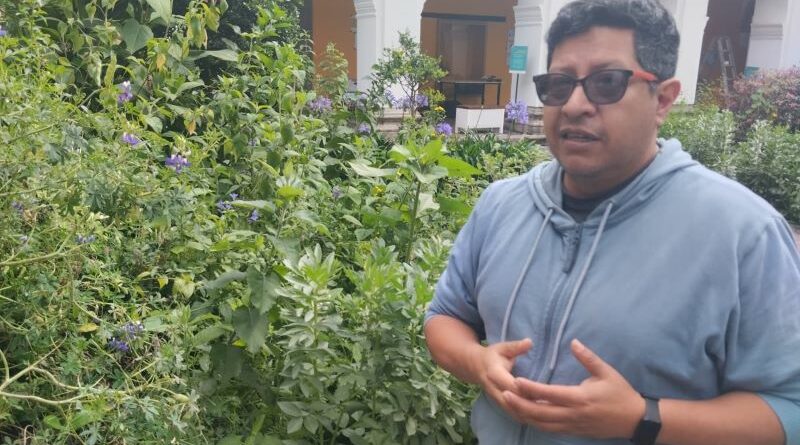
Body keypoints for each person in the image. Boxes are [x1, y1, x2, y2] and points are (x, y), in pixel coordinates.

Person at [423, 0, 800, 444]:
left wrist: (643, 418)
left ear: (663, 99)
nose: (574, 105)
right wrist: (478, 362)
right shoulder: (503, 204)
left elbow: (788, 409)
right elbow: (445, 316)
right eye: (559, 84)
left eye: (607, 82)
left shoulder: (743, 233)